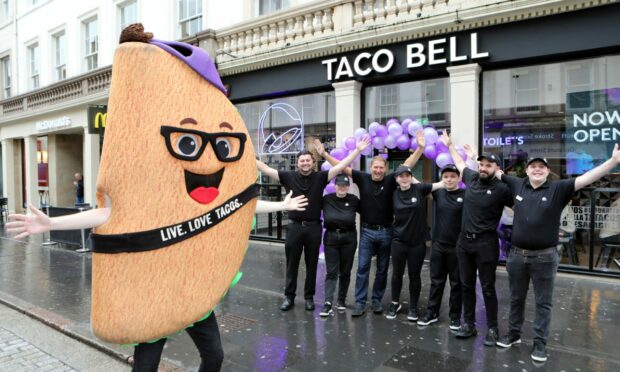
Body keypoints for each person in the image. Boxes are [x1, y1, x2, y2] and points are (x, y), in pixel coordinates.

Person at [7, 194, 308, 372]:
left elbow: (242, 205)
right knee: (147, 365)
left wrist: (282, 204)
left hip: (195, 299)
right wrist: (52, 223)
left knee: (214, 355)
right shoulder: (155, 200)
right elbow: (107, 213)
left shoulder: (199, 200)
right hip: (158, 299)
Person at [494, 149, 620, 362]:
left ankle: (540, 344)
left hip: (544, 257)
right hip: (516, 256)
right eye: (533, 167)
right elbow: (495, 172)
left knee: (543, 303)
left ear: (547, 171)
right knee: (516, 298)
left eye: (541, 167)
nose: (536, 169)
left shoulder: (557, 188)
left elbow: (587, 178)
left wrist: (612, 161)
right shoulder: (517, 185)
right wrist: (468, 157)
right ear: (526, 170)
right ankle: (514, 334)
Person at [316, 130, 425, 317]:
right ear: (371, 167)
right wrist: (325, 154)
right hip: (366, 232)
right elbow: (342, 167)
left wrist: (420, 148)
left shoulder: (392, 179)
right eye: (375, 167)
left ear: (385, 169)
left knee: (382, 270)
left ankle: (376, 301)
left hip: (386, 232)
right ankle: (359, 302)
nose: (378, 170)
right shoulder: (363, 178)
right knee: (363, 269)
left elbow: (407, 165)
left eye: (381, 168)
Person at [256, 136, 371, 312]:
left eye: (308, 160)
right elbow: (266, 169)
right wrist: (249, 157)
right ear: (298, 163)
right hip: (294, 227)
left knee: (312, 264)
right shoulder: (288, 176)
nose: (305, 163)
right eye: (302, 160)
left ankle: (309, 297)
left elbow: (340, 166)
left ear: (313, 162)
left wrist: (357, 150)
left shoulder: (321, 177)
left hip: (314, 227)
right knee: (292, 263)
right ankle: (289, 297)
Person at [440, 133, 513, 346]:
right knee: (466, 285)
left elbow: (518, 205)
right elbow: (460, 163)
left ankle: (492, 328)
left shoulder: (502, 189)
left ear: (496, 168)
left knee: (488, 287)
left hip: (486, 243)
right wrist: (451, 145)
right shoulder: (471, 178)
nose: (483, 168)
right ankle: (468, 324)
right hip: (464, 243)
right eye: (481, 164)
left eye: (488, 165)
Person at [386, 165, 444, 321]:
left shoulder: (419, 189)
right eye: (401, 176)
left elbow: (441, 184)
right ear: (396, 179)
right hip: (398, 241)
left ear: (411, 177)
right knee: (397, 274)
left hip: (417, 242)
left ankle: (412, 307)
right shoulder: (393, 195)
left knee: (414, 275)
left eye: (407, 175)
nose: (404, 178)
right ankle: (395, 303)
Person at [417, 164, 465, 330]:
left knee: (456, 283)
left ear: (459, 178)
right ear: (442, 179)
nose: (449, 179)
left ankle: (455, 316)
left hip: (457, 247)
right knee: (436, 281)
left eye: (452, 176)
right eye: (446, 176)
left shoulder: (466, 195)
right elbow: (419, 187)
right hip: (438, 245)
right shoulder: (438, 193)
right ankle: (432, 312)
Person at [320, 173, 360, 317]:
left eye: (345, 185)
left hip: (349, 238)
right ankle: (328, 303)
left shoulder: (354, 200)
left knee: (345, 271)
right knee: (331, 272)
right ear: (335, 186)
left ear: (348, 187)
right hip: (331, 237)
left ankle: (341, 300)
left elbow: (368, 211)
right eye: (340, 185)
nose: (342, 187)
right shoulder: (327, 199)